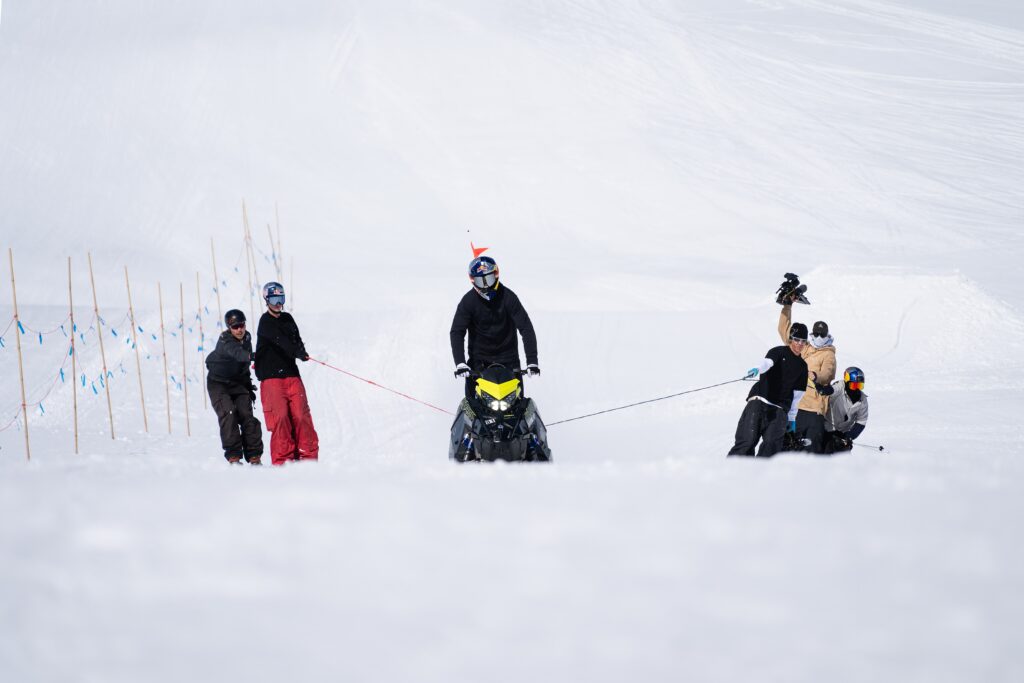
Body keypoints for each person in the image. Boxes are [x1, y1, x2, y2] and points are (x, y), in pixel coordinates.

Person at [450, 255, 539, 399]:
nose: (486, 285)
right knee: (473, 406)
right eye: (481, 281)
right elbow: (457, 332)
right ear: (473, 280)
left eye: (489, 279)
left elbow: (526, 328)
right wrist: (460, 363)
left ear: (496, 275)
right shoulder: (468, 301)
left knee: (516, 406)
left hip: (509, 363)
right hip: (478, 365)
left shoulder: (509, 298)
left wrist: (532, 361)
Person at [254, 282, 320, 465]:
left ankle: (308, 458)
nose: (278, 303)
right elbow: (279, 339)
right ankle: (283, 461)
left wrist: (302, 351)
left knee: (301, 415)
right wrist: (295, 351)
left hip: (291, 375)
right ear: (266, 300)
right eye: (274, 299)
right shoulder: (265, 321)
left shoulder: (288, 319)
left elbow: (295, 340)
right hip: (272, 377)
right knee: (281, 417)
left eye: (280, 299)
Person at [728, 323, 810, 457]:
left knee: (771, 448)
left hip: (779, 410)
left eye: (803, 341)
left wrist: (792, 418)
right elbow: (767, 363)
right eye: (797, 339)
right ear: (790, 338)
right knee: (747, 442)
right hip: (759, 402)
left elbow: (797, 395)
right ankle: (732, 473)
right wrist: (757, 369)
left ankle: (761, 475)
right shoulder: (778, 351)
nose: (799, 344)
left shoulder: (802, 367)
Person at [205, 309, 263, 465]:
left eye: (242, 325)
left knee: (247, 416)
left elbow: (243, 364)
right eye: (235, 327)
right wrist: (253, 356)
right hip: (218, 383)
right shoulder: (225, 341)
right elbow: (238, 353)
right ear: (229, 327)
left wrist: (249, 386)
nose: (239, 330)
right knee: (229, 414)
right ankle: (234, 457)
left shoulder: (247, 337)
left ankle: (254, 457)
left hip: (238, 382)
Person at [778, 303, 836, 452]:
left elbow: (827, 374)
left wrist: (816, 376)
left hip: (813, 408)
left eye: (822, 335)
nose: (818, 337)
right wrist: (787, 307)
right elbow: (784, 332)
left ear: (827, 336)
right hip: (795, 405)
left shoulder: (828, 354)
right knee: (788, 444)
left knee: (811, 447)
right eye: (816, 334)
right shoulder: (804, 347)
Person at [821, 367, 869, 453]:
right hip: (827, 428)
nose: (857, 389)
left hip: (843, 433)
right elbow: (833, 390)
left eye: (860, 386)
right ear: (847, 382)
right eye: (854, 385)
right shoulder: (840, 386)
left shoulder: (862, 400)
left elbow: (861, 421)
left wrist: (850, 436)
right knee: (824, 453)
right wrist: (827, 390)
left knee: (843, 458)